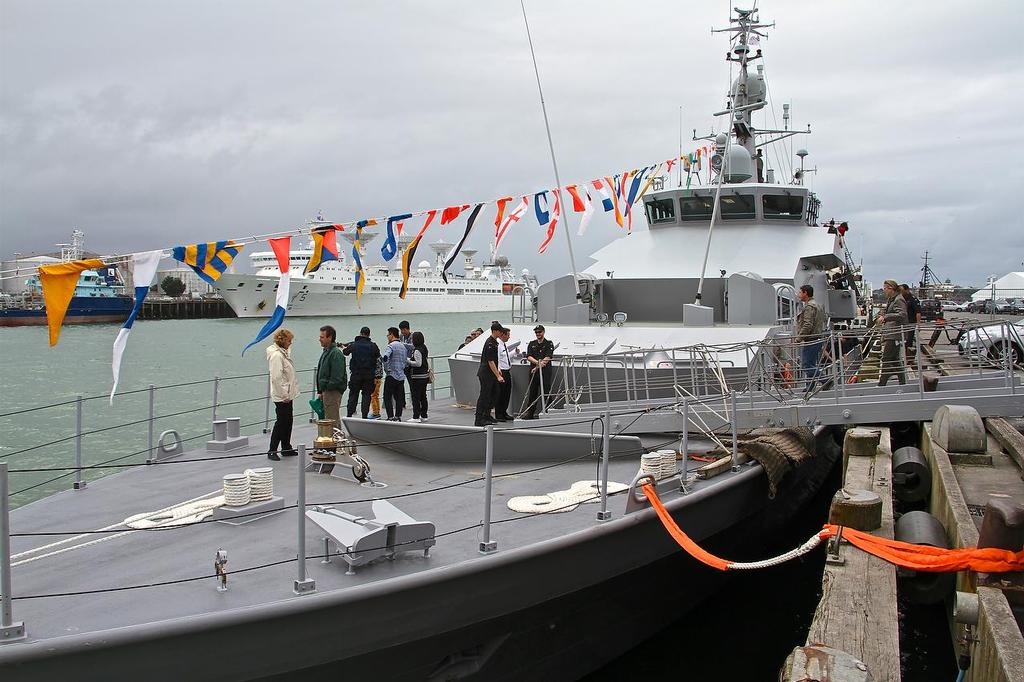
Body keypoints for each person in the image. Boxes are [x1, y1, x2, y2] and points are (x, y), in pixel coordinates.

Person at [266, 328, 300, 461]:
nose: (291, 343)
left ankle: (286, 446)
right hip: (282, 395)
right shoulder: (277, 356)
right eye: (289, 340)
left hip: (287, 393)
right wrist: (284, 394)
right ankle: (272, 449)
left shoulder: (283, 353)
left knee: (288, 420)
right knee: (281, 422)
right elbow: (276, 377)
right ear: (283, 340)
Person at [342, 326, 380, 419]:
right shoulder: (373, 345)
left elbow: (345, 352)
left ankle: (349, 415)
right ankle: (364, 416)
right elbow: (378, 355)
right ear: (369, 334)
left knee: (353, 395)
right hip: (369, 376)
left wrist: (345, 346)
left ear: (360, 333)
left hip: (356, 375)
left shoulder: (354, 345)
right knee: (366, 396)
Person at [877, 280, 908, 386]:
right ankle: (903, 382)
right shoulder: (892, 299)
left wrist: (886, 317)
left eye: (885, 288)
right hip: (892, 333)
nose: (884, 291)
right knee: (895, 360)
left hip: (894, 334)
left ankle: (882, 384)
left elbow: (902, 314)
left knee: (886, 358)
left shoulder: (898, 300)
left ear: (890, 288)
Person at [795, 284, 825, 389]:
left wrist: (799, 338)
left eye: (800, 292)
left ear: (805, 293)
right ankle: (809, 387)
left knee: (806, 365)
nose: (799, 294)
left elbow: (808, 324)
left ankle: (825, 380)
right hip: (817, 338)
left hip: (811, 339)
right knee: (811, 365)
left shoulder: (809, 307)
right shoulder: (817, 305)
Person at [474, 322, 504, 426]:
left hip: (491, 373)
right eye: (500, 331)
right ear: (495, 331)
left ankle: (487, 415)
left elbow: (494, 361)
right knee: (484, 396)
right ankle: (479, 418)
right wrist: (498, 375)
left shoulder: (495, 342)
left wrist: (497, 371)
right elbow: (490, 361)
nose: (501, 333)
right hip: (486, 373)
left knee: (495, 393)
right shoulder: (490, 343)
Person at [316, 325, 346, 427]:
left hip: (332, 392)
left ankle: (336, 440)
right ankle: (331, 440)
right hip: (326, 391)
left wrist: (327, 388)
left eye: (322, 337)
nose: (319, 339)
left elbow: (337, 376)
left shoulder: (335, 353)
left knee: (332, 419)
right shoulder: (327, 351)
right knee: (329, 418)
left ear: (330, 337)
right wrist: (321, 391)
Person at [522, 324, 554, 419]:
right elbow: (529, 356)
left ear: (543, 332)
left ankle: (548, 411)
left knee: (546, 391)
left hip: (545, 372)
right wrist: (537, 364)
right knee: (533, 393)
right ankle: (530, 413)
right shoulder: (532, 344)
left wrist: (537, 367)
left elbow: (547, 357)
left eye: (539, 332)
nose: (538, 334)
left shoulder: (549, 343)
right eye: (536, 332)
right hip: (534, 373)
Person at [381, 327, 408, 421]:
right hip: (401, 376)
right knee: (399, 397)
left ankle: (390, 416)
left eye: (388, 334)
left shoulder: (390, 346)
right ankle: (398, 416)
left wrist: (386, 368)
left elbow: (386, 357)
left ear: (392, 334)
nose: (387, 336)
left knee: (387, 396)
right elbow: (405, 361)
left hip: (391, 375)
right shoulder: (403, 347)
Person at [406, 331, 430, 422]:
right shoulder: (424, 347)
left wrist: (408, 361)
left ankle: (416, 416)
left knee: (416, 396)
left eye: (412, 338)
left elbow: (418, 363)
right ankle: (424, 415)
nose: (411, 340)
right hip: (424, 376)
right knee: (423, 396)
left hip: (417, 376)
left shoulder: (417, 350)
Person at [494, 327, 514, 421]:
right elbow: (496, 358)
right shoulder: (498, 345)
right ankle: (499, 414)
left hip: (507, 370)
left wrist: (514, 352)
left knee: (507, 393)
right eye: (508, 335)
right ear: (503, 335)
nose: (509, 337)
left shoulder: (504, 345)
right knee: (501, 393)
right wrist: (498, 371)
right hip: (502, 371)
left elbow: (505, 356)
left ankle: (504, 412)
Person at [900, 284, 922, 350]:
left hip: (911, 322)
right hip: (904, 323)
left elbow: (918, 312)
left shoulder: (913, 299)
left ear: (907, 290)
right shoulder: (903, 299)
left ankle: (908, 356)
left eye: (902, 290)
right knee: (902, 340)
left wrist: (918, 324)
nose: (901, 292)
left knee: (908, 340)